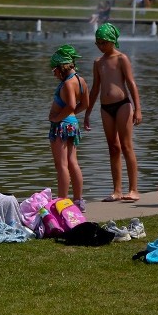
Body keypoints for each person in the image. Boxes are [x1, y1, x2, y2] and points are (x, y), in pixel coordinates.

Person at [83, 22, 142, 202]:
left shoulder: (121, 58)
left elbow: (131, 83)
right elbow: (95, 89)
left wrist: (138, 109)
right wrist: (87, 112)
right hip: (105, 108)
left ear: (112, 41)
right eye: (97, 43)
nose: (100, 46)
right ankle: (117, 190)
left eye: (103, 42)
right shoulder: (98, 62)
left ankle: (133, 189)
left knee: (126, 145)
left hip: (123, 105)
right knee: (113, 147)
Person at [47, 45, 89, 210]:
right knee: (73, 163)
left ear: (61, 68)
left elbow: (71, 103)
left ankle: (62, 201)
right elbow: (84, 104)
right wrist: (71, 114)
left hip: (61, 126)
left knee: (61, 165)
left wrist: (58, 117)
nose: (54, 74)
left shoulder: (67, 84)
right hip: (72, 123)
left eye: (54, 70)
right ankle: (78, 200)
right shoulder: (81, 80)